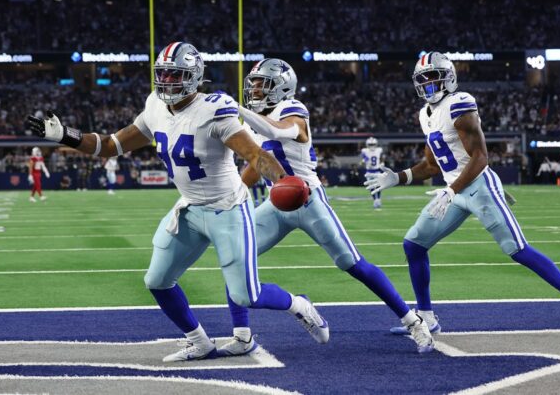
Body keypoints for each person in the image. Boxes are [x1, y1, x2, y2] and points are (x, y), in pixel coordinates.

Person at [26, 42, 329, 362]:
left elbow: (255, 155)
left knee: (246, 294)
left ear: (195, 77)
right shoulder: (155, 105)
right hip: (190, 207)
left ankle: (300, 305)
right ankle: (199, 341)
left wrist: (281, 181)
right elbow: (109, 146)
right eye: (164, 74)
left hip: (227, 208)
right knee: (156, 280)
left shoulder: (215, 109)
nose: (168, 80)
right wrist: (65, 135)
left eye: (175, 74)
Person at [364, 52, 560, 338]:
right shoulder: (425, 115)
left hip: (478, 186)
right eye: (422, 79)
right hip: (453, 192)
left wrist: (451, 190)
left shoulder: (459, 104)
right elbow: (431, 164)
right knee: (414, 245)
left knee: (517, 249)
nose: (427, 84)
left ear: (449, 77)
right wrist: (400, 177)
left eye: (432, 77)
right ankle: (426, 315)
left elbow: (481, 157)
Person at [219, 58, 433, 356]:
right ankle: (242, 336)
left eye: (261, 84)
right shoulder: (253, 125)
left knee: (352, 263)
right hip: (275, 203)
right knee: (234, 257)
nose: (254, 89)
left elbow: (283, 132)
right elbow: (256, 166)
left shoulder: (292, 109)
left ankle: (414, 322)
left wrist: (237, 111)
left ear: (282, 87)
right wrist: (234, 195)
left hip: (308, 200)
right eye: (252, 83)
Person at [361, 137, 384, 209]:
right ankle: (375, 200)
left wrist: (382, 162)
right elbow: (364, 158)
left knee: (378, 186)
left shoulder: (378, 150)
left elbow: (381, 157)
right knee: (371, 187)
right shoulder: (365, 150)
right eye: (370, 144)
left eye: (373, 144)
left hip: (376, 171)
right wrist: (365, 160)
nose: (372, 146)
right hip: (370, 171)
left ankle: (378, 200)